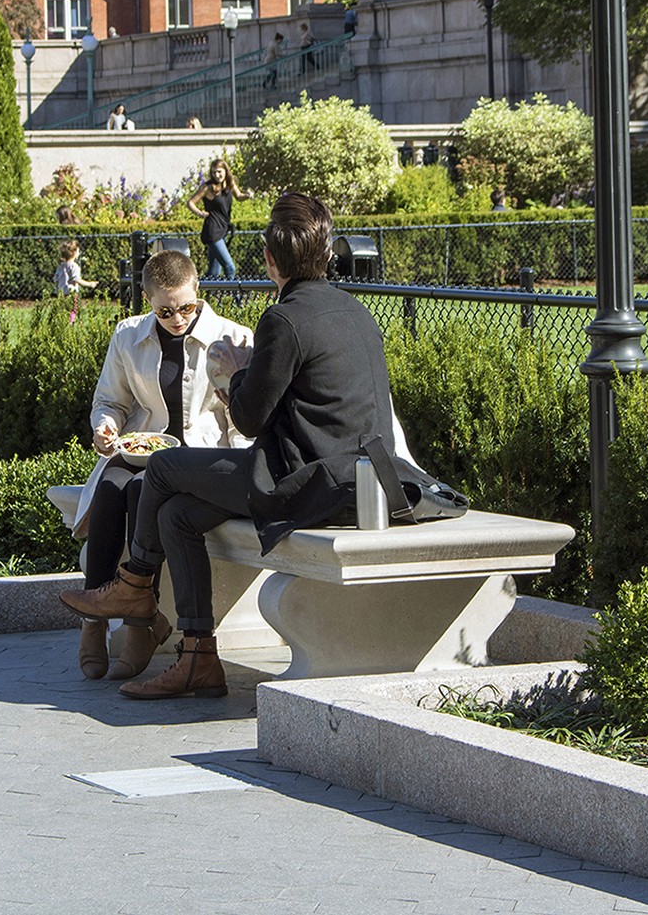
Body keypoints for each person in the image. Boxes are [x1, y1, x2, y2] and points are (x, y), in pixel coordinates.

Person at [60, 193, 417, 699]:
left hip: (308, 484)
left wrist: (235, 371)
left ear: (270, 261)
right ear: (328, 254)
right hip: (359, 479)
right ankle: (199, 656)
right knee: (178, 513)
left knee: (162, 470)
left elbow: (249, 420)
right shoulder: (355, 310)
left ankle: (135, 587)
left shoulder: (284, 319)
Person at [68, 250, 253, 681]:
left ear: (199, 292)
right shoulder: (128, 336)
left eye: (186, 306)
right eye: (165, 310)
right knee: (111, 488)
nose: (177, 318)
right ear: (148, 301)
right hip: (141, 449)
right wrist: (105, 428)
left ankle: (138, 625)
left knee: (138, 492)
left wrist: (245, 464)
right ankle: (92, 622)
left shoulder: (233, 337)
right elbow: (110, 401)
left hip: (198, 460)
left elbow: (242, 418)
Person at [187, 157, 252, 280]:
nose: (217, 175)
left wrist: (247, 195)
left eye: (219, 171)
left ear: (225, 171)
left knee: (214, 273)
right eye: (214, 172)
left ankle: (207, 295)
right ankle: (234, 298)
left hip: (223, 229)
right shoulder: (208, 187)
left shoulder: (229, 185)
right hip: (213, 231)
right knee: (230, 267)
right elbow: (190, 202)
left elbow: (239, 196)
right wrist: (200, 213)